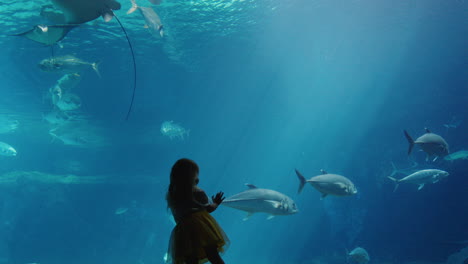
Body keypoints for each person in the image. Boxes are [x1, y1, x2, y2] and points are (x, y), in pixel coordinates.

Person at [166, 158, 229, 264]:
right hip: (201, 227)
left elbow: (177, 216)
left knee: (190, 259)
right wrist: (216, 203)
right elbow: (208, 209)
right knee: (213, 255)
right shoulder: (197, 191)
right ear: (192, 176)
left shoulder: (172, 195)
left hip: (183, 231)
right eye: (196, 174)